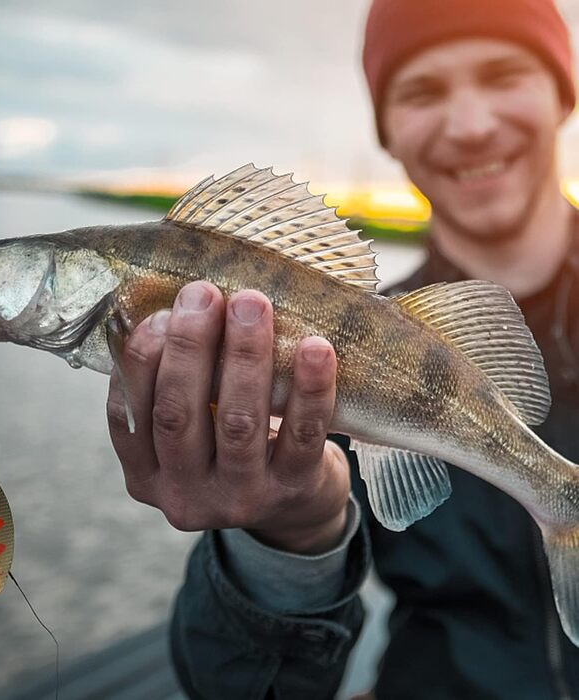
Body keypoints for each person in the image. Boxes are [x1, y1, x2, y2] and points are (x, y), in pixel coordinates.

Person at [106, 0, 579, 697]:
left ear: (564, 93)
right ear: (389, 130)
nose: (471, 125)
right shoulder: (324, 346)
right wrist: (290, 540)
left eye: (503, 75)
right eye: (422, 91)